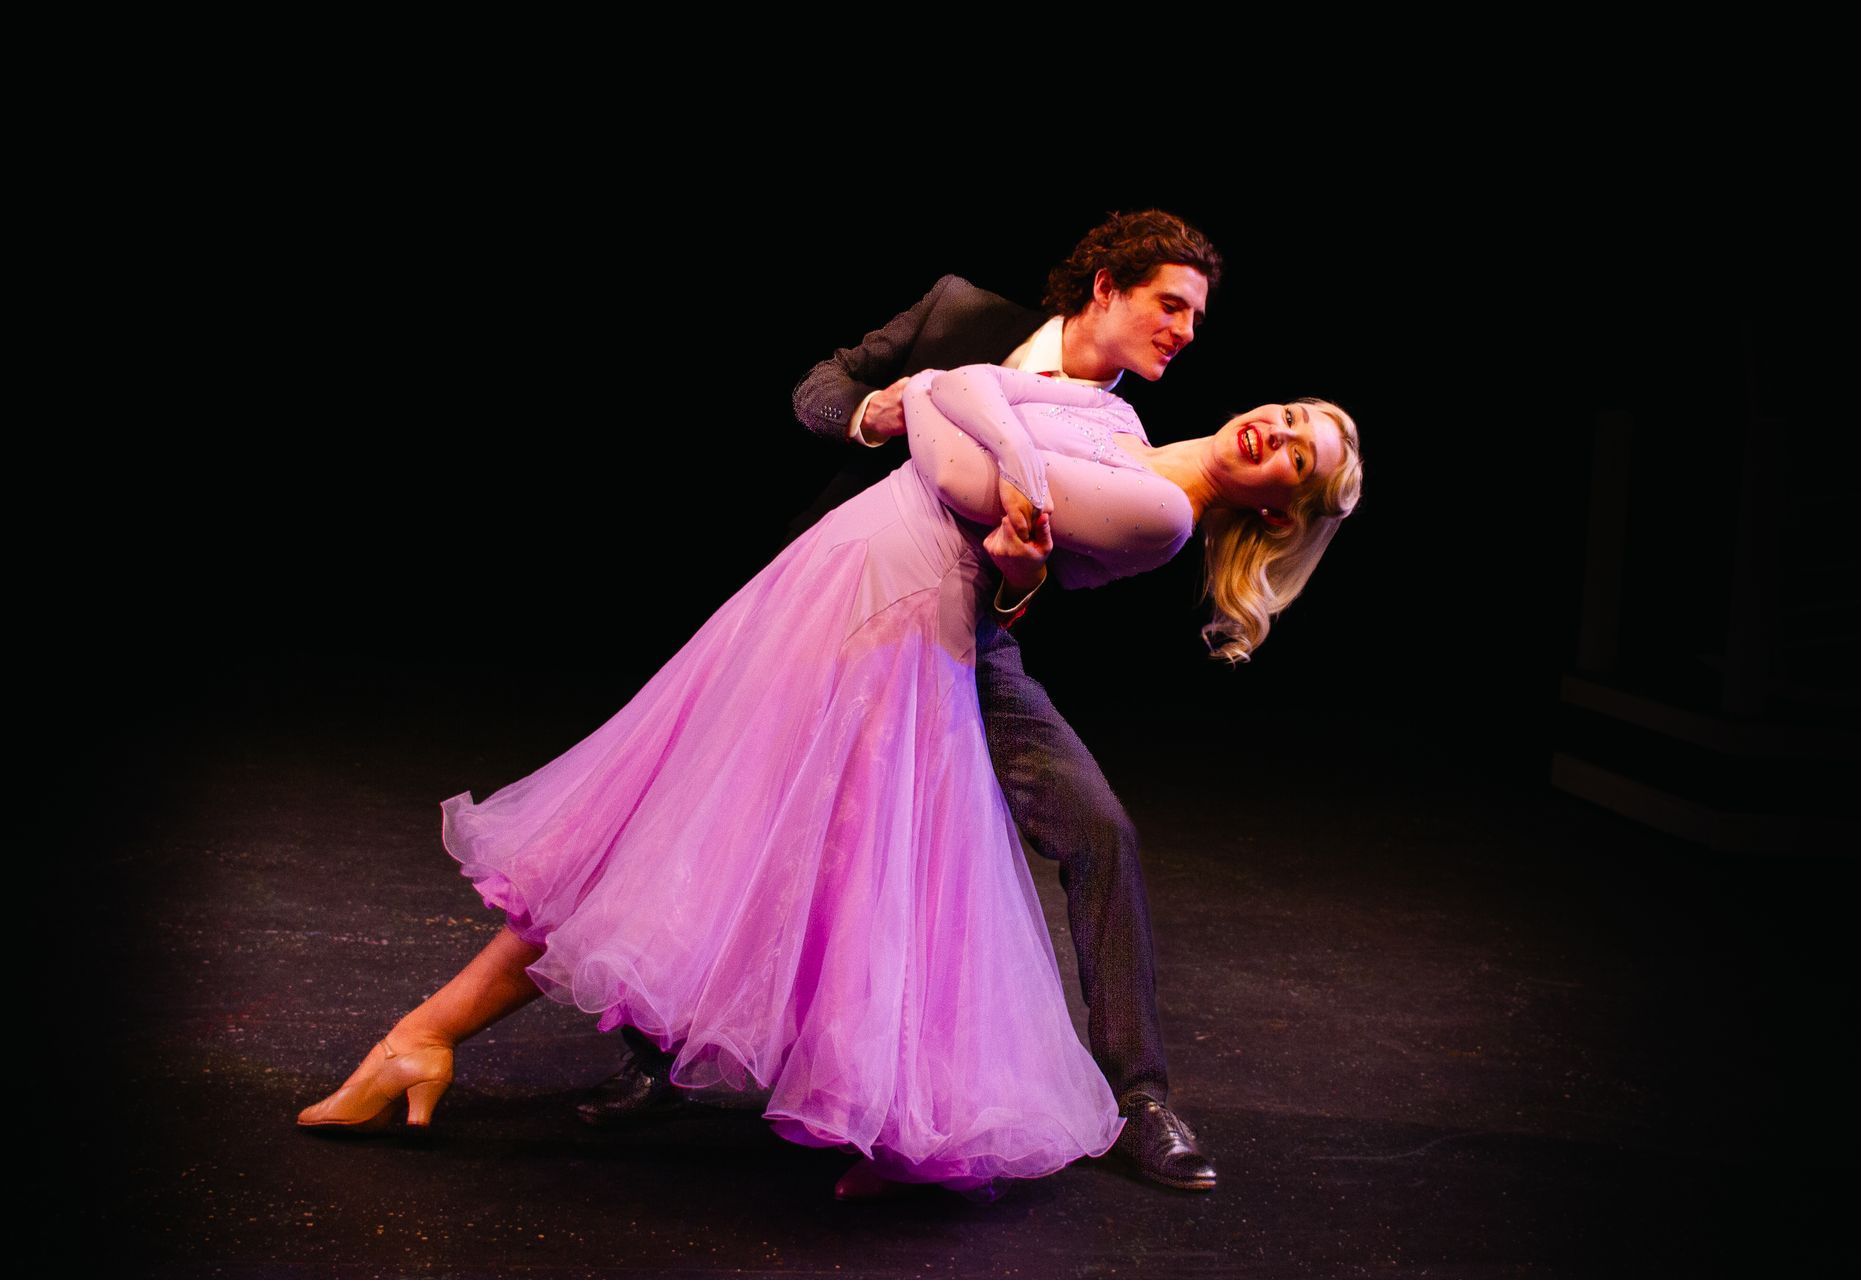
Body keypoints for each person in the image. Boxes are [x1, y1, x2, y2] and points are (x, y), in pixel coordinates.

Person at [296, 359, 1363, 1199]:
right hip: (842, 577)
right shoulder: (1120, 426)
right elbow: (957, 389)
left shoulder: (1164, 515)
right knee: (682, 822)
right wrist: (965, 413)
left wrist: (970, 427)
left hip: (891, 614)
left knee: (742, 848)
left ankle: (425, 1041)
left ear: (1279, 510)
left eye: (1296, 458)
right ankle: (424, 1039)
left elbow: (950, 454)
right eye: (1286, 413)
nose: (1272, 430)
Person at [585, 210, 1236, 1191]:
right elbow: (816, 387)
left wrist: (1018, 580)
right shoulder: (961, 312)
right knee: (755, 822)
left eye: (1195, 315)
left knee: (1099, 827)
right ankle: (659, 1048)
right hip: (848, 611)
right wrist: (869, 413)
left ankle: (1139, 1094)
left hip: (972, 644)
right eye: (1170, 304)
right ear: (1105, 284)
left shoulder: (1126, 433)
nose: (1186, 330)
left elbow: (1058, 581)